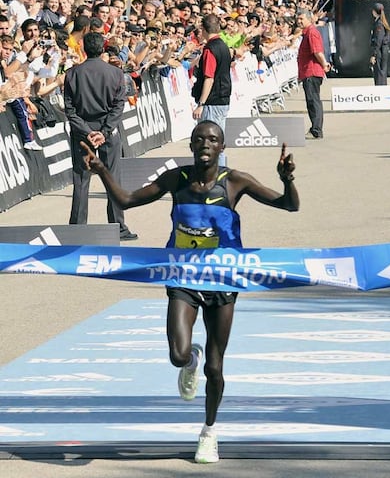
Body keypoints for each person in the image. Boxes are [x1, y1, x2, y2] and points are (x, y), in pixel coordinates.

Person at [80, 119, 299, 463]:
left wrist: (288, 180)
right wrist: (101, 170)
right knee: (178, 355)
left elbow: (289, 205)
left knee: (216, 367)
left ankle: (209, 432)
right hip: (183, 277)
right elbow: (126, 199)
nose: (205, 144)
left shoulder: (236, 182)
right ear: (192, 145)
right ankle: (189, 360)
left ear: (222, 148)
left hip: (223, 281)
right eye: (199, 139)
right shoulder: (176, 179)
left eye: (212, 140)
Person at [64, 31, 137, 241]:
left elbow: (70, 110)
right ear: (103, 48)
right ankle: (118, 227)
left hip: (82, 132)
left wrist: (88, 132)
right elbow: (118, 105)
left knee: (81, 179)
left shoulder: (72, 74)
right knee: (112, 178)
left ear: (84, 49)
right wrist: (104, 132)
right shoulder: (115, 73)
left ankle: (77, 229)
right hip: (107, 132)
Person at [191, 14, 232, 137]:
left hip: (212, 102)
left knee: (210, 141)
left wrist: (201, 104)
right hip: (222, 98)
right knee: (218, 141)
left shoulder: (210, 49)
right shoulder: (223, 46)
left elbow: (209, 78)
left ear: (203, 29)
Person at [296, 9, 330, 140]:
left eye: (301, 19)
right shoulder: (307, 33)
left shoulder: (311, 33)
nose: (299, 21)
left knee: (313, 101)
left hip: (312, 72)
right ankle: (315, 128)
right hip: (307, 72)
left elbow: (317, 51)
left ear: (309, 19)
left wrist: (324, 64)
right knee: (312, 101)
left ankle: (316, 129)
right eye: (298, 19)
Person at [369, 2, 390, 86]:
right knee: (382, 72)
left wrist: (374, 55)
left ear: (375, 12)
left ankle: (380, 92)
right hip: (383, 50)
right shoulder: (381, 22)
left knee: (379, 73)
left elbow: (378, 40)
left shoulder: (379, 24)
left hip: (380, 51)